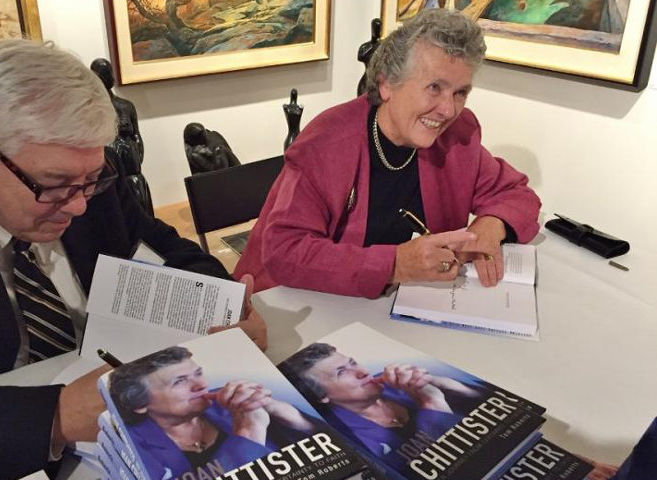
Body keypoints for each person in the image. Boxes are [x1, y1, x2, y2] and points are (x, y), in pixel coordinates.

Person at [0, 39, 266, 479]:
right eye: (53, 184)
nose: (79, 206)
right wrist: (56, 415)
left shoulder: (86, 177)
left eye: (90, 180)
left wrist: (225, 309)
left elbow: (169, 247)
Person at [235, 9, 541, 298]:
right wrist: (394, 264)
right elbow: (284, 252)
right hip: (296, 309)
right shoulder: (327, 143)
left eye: (460, 92)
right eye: (434, 87)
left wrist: (490, 225)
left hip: (396, 312)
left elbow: (516, 194)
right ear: (386, 85)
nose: (449, 109)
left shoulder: (457, 135)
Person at [108, 346, 316, 480]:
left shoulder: (231, 401)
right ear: (140, 403)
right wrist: (248, 434)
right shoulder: (130, 445)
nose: (201, 385)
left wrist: (290, 417)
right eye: (179, 381)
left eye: (198, 374)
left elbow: (334, 450)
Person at [281, 343, 487, 471]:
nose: (362, 371)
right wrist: (433, 405)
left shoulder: (398, 380)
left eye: (353, 362)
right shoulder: (343, 438)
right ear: (322, 396)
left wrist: (449, 385)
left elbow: (491, 402)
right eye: (342, 372)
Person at [89, 57, 154, 216]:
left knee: (142, 212)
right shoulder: (90, 109)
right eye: (101, 74)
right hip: (109, 177)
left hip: (133, 173)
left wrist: (136, 158)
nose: (107, 77)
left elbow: (136, 135)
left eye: (108, 73)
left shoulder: (125, 105)